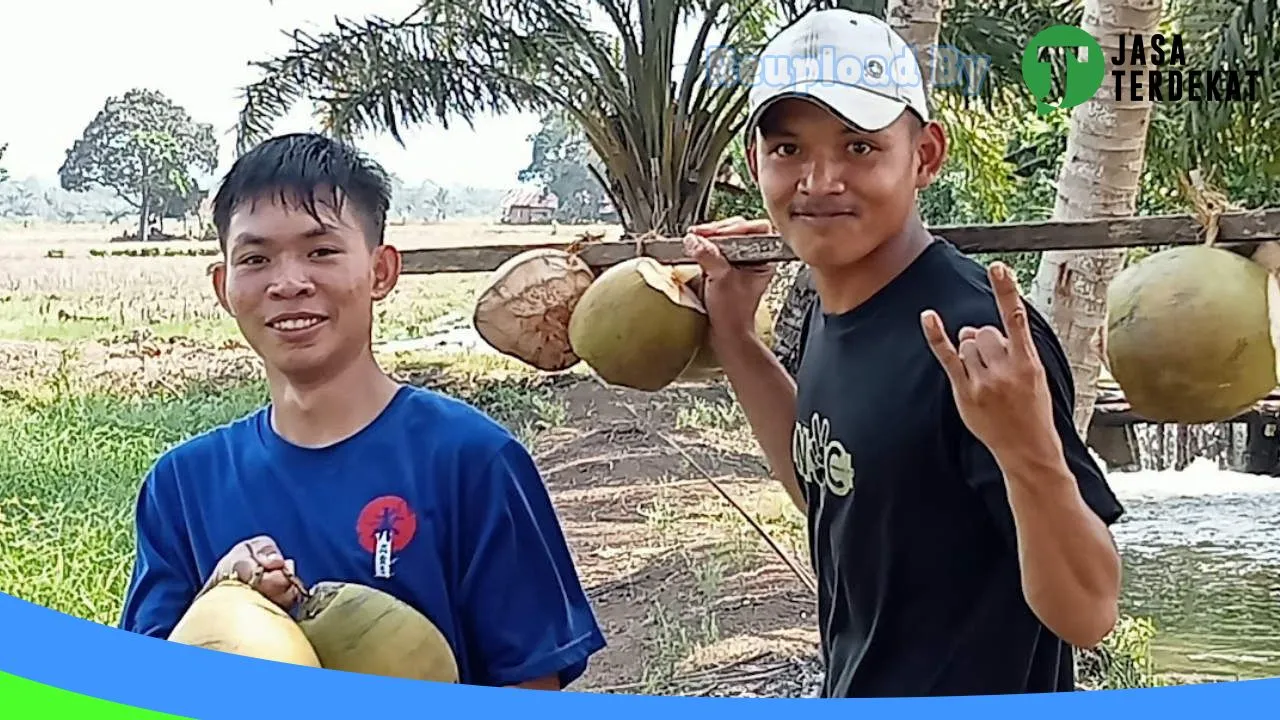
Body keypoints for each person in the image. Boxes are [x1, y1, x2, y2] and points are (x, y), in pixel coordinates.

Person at [682, 9, 1126, 698]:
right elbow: (837, 489)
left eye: (859, 148)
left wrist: (1026, 451)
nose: (820, 180)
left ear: (925, 157)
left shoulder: (974, 334)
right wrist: (737, 342)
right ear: (755, 163)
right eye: (788, 149)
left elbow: (1089, 613)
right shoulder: (837, 312)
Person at [118, 132, 606, 690]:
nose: (289, 283)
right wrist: (225, 591)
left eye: (321, 251)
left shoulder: (472, 461)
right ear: (223, 286)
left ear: (381, 272)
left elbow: (531, 683)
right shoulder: (182, 486)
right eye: (256, 258)